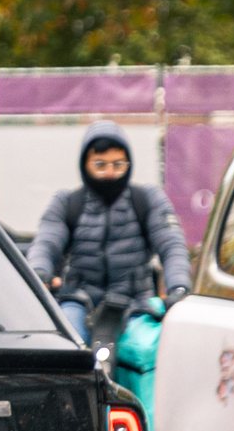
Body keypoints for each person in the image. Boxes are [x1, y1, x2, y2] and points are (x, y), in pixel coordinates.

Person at [26, 121, 192, 345]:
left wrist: (179, 287)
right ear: (85, 164)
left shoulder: (148, 199)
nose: (110, 173)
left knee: (145, 350)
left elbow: (171, 245)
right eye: (100, 165)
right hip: (78, 300)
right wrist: (39, 271)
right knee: (67, 346)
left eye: (118, 164)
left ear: (129, 164)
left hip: (136, 303)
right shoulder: (66, 203)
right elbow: (46, 243)